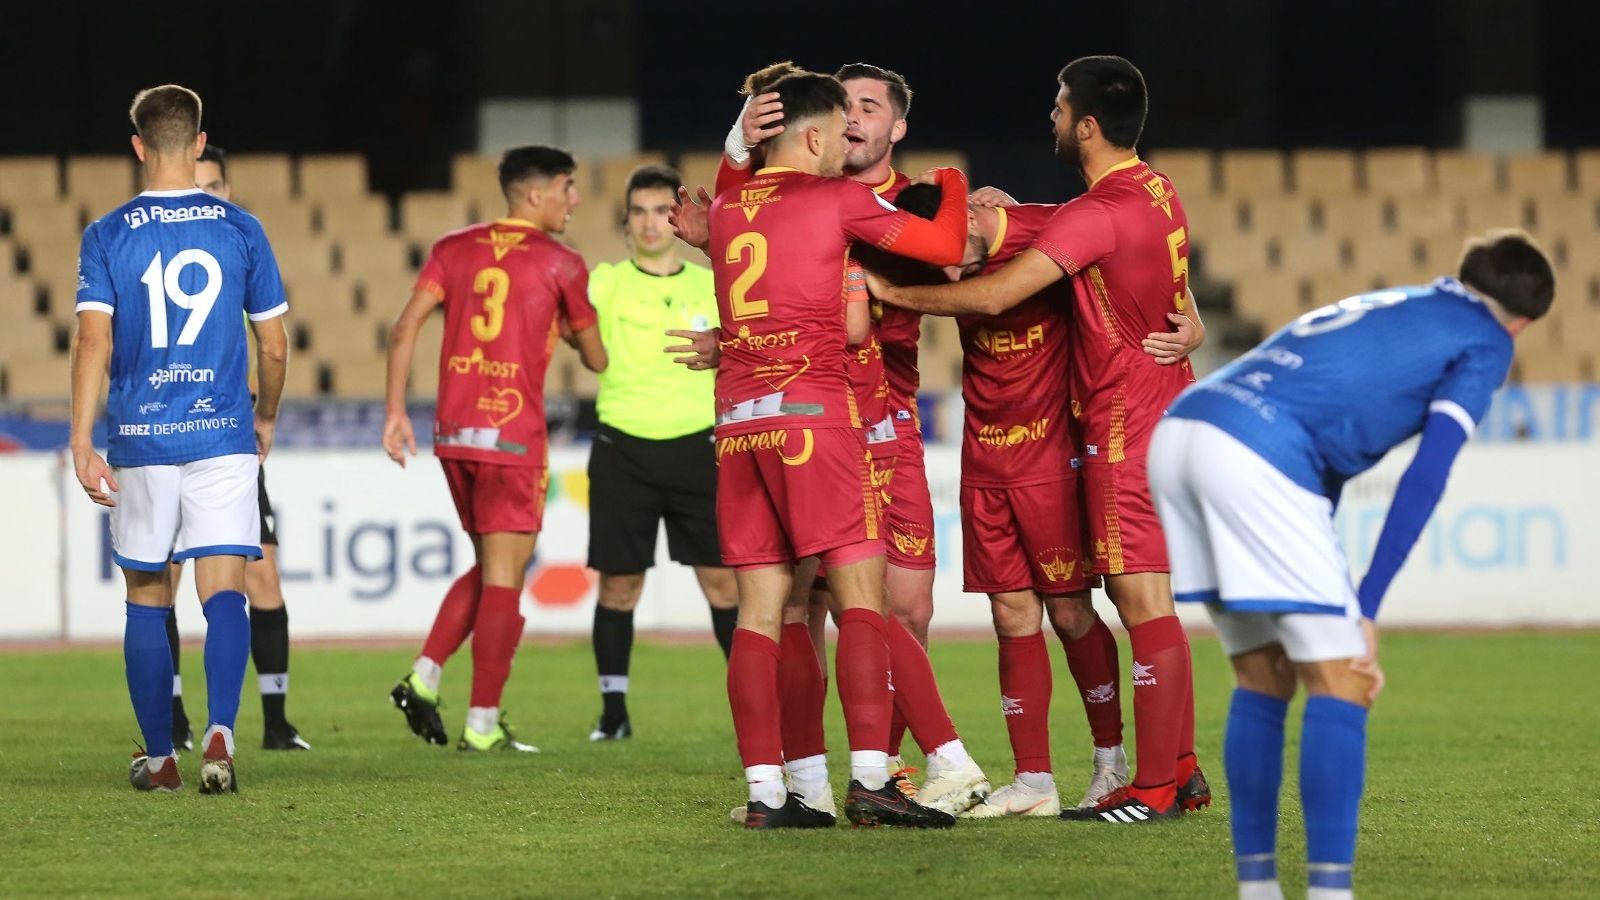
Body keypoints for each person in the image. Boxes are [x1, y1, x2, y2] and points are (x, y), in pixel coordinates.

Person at [1149, 232, 1554, 897]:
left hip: (1185, 429)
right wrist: (1365, 607)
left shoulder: (1402, 303)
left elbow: (1326, 456)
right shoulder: (1488, 339)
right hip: (1258, 451)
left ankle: (1258, 888)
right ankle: (1331, 892)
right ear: (1523, 322)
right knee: (1346, 681)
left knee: (1263, 675)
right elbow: (1428, 473)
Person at [866, 56, 1210, 823]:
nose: (1049, 120)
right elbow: (1160, 268)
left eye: (1058, 109)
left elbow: (994, 294)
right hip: (1041, 438)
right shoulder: (1148, 191)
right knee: (1047, 610)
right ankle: (1128, 775)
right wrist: (1190, 323)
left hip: (1108, 425)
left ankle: (1143, 779)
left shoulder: (1073, 221)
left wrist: (892, 290)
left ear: (1085, 125)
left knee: (1129, 602)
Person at [684, 69, 970, 828]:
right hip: (814, 416)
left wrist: (735, 144)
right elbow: (945, 243)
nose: (847, 143)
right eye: (841, 131)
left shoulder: (726, 210)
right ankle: (873, 777)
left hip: (739, 423)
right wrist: (950, 181)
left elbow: (733, 192)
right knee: (860, 597)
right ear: (813, 136)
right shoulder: (836, 199)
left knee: (761, 612)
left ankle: (769, 794)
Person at [70, 84, 290, 794]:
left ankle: (162, 758)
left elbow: (94, 339)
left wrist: (81, 438)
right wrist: (265, 415)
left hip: (142, 438)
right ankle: (222, 732)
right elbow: (274, 344)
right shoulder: (241, 227)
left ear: (138, 146)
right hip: (222, 432)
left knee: (146, 592)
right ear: (198, 144)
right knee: (224, 591)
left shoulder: (107, 234)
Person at [383, 146, 607, 753]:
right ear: (536, 194)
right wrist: (566, 329)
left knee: (491, 566)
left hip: (455, 434)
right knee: (506, 576)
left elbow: (404, 327)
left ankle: (426, 676)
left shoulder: (453, 248)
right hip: (511, 437)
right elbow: (597, 358)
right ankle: (481, 725)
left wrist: (396, 412)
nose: (574, 199)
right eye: (567, 186)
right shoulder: (562, 263)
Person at [585, 164, 738, 742]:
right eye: (639, 211)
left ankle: (751, 705)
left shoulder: (712, 283)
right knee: (619, 586)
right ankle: (613, 714)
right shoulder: (604, 283)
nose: (650, 223)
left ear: (676, 219)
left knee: (724, 585)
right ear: (625, 221)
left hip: (699, 446)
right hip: (622, 447)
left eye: (660, 211)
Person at [164, 144, 308, 753]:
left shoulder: (241, 244)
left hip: (227, 433)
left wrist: (261, 414)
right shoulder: (155, 249)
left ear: (227, 189)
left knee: (262, 575)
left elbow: (270, 339)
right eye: (197, 185)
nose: (207, 196)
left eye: (216, 186)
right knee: (164, 582)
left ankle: (275, 722)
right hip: (165, 436)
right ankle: (174, 716)